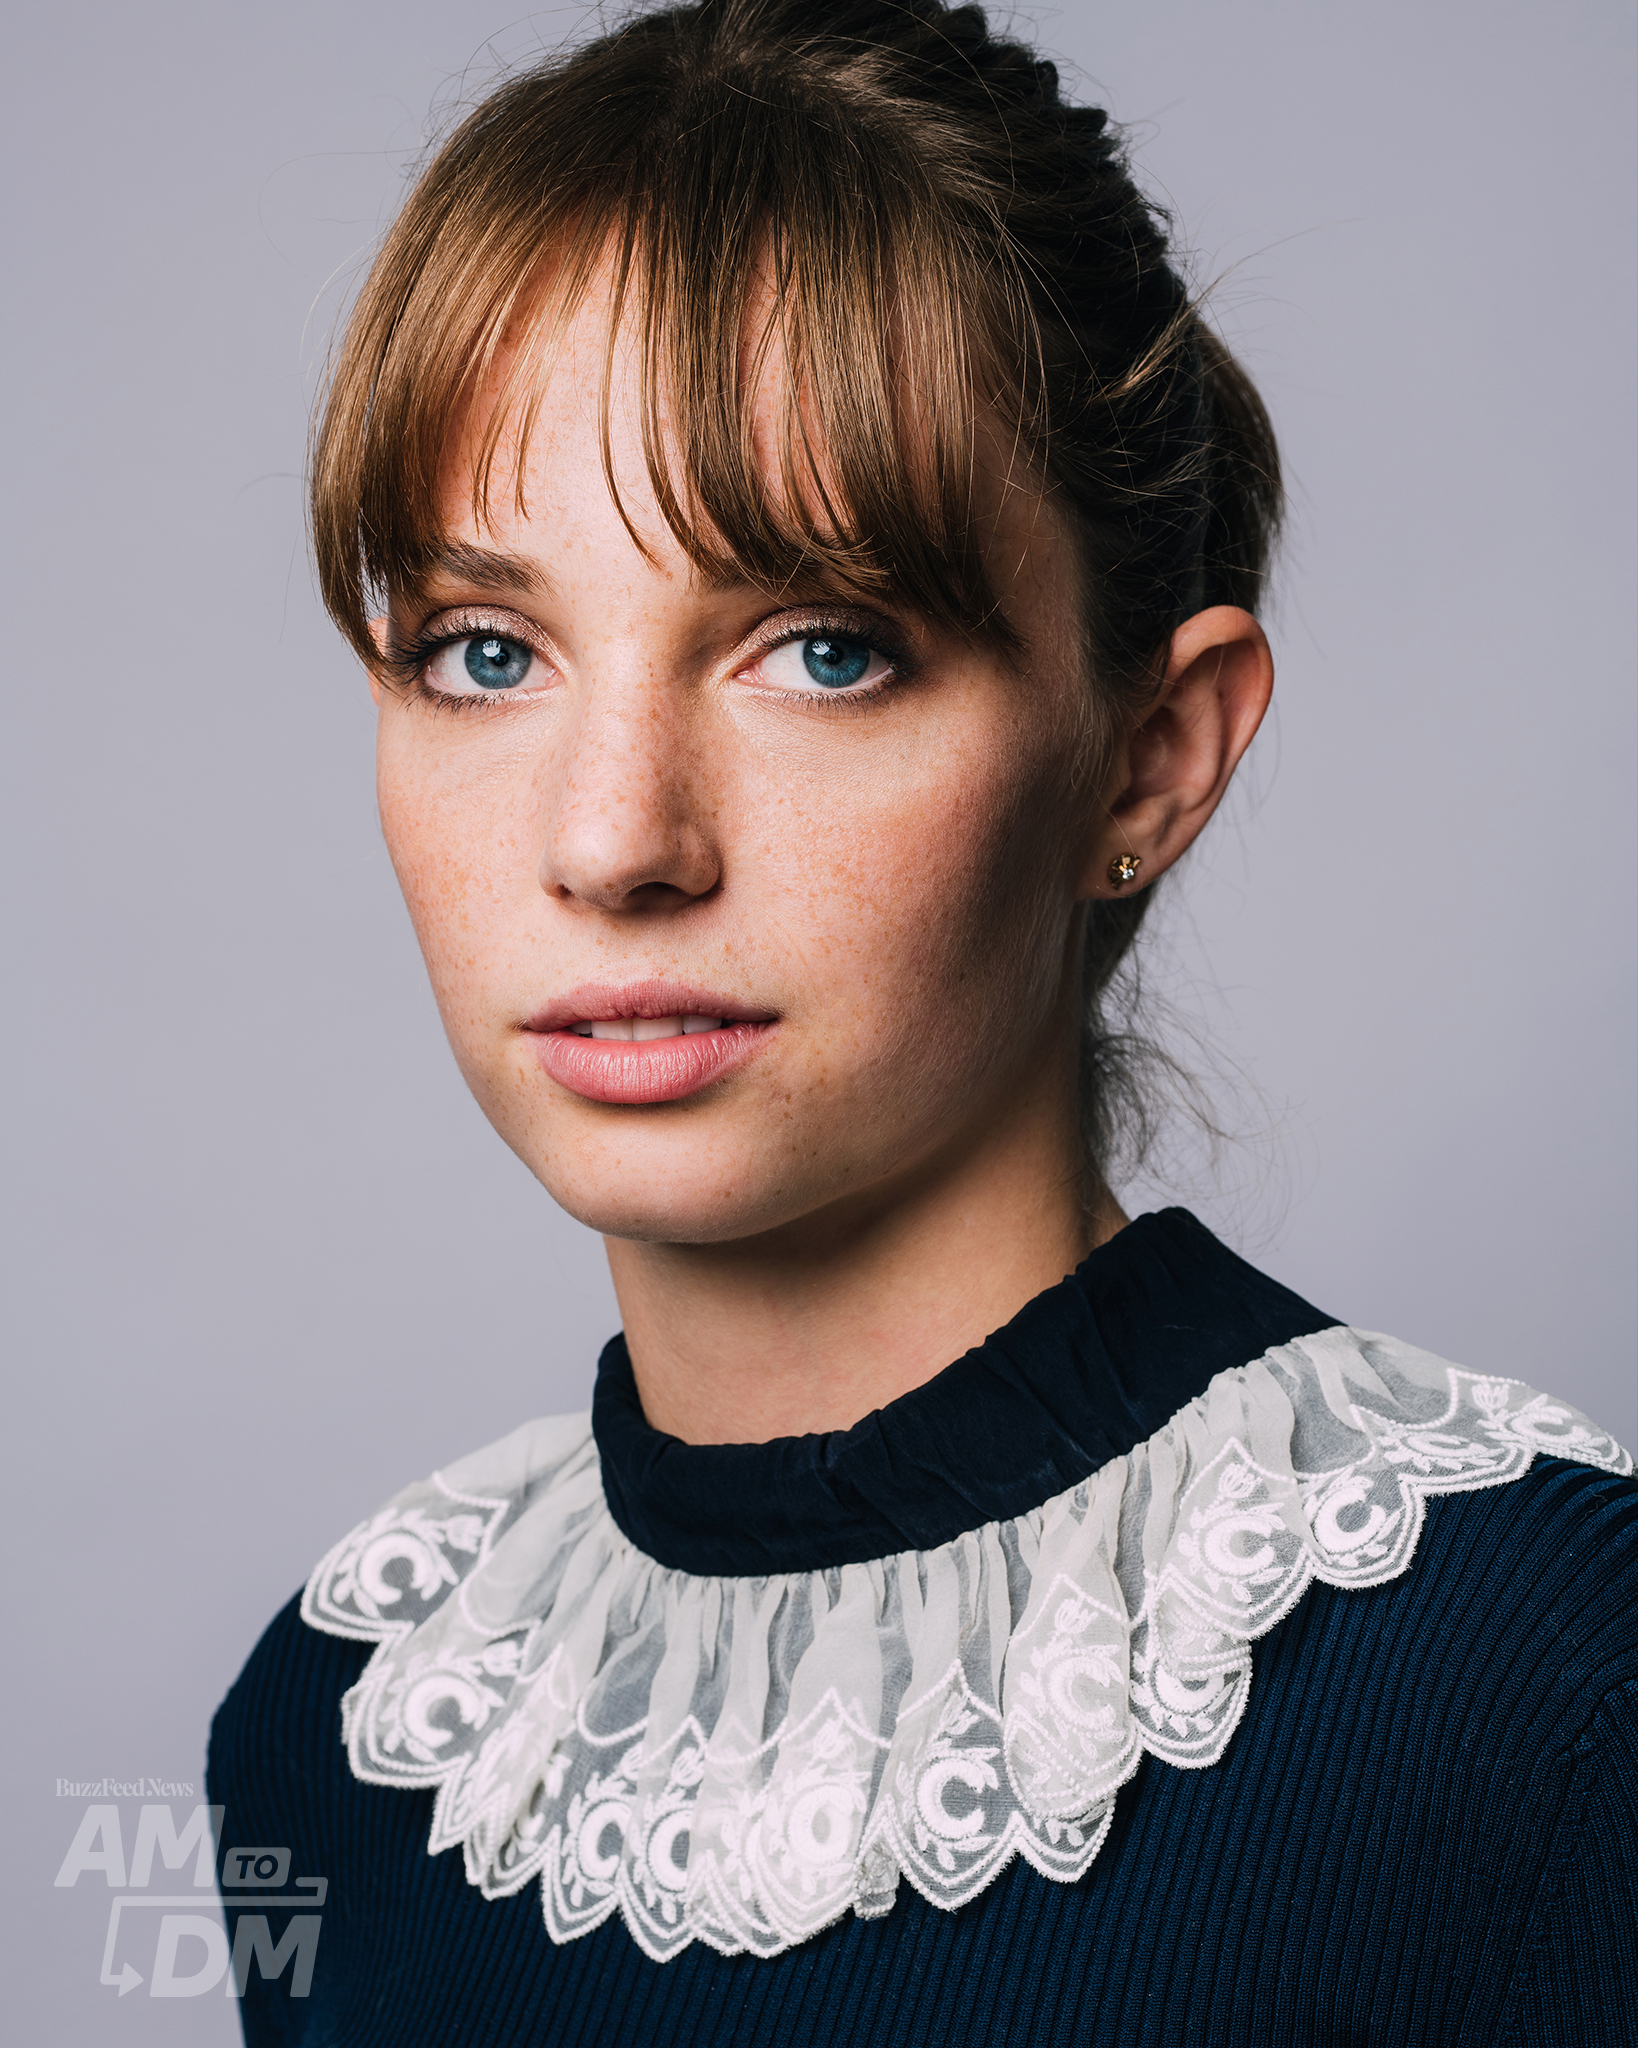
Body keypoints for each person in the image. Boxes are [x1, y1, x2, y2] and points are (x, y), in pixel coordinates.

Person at [208, 2, 1637, 2040]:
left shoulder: (1556, 1685)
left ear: (1149, 755)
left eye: (822, 645)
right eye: (485, 649)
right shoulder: (328, 1751)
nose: (615, 841)